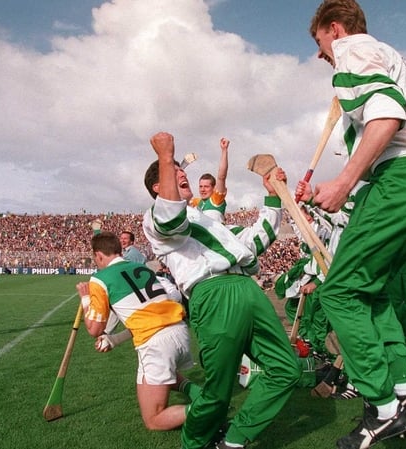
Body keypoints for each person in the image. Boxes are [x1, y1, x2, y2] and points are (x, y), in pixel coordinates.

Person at [306, 2, 406, 447]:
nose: (320, 54)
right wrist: (337, 186)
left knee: (339, 292)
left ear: (335, 29)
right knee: (371, 290)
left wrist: (344, 182)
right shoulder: (389, 54)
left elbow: (387, 114)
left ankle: (384, 407)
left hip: (402, 176)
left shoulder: (352, 50)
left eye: (319, 42)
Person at [142, 132, 299, 449]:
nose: (182, 173)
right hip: (213, 293)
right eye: (174, 172)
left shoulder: (209, 218)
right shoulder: (155, 218)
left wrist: (271, 197)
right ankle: (194, 443)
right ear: (158, 188)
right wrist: (165, 155)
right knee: (219, 390)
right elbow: (171, 219)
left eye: (181, 170)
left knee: (286, 369)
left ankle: (234, 439)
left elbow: (255, 240)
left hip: (246, 287)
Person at [77, 231, 199, 431]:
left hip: (157, 344)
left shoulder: (99, 279)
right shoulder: (142, 268)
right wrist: (115, 339)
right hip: (180, 331)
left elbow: (94, 329)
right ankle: (198, 394)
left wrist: (85, 298)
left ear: (98, 255)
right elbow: (145, 319)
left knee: (154, 419)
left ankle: (208, 408)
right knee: (163, 372)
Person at [189, 137, 230, 223]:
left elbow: (221, 177)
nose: (202, 189)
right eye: (200, 186)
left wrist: (224, 150)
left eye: (206, 186)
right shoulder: (197, 202)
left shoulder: (216, 199)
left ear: (214, 188)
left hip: (216, 231)